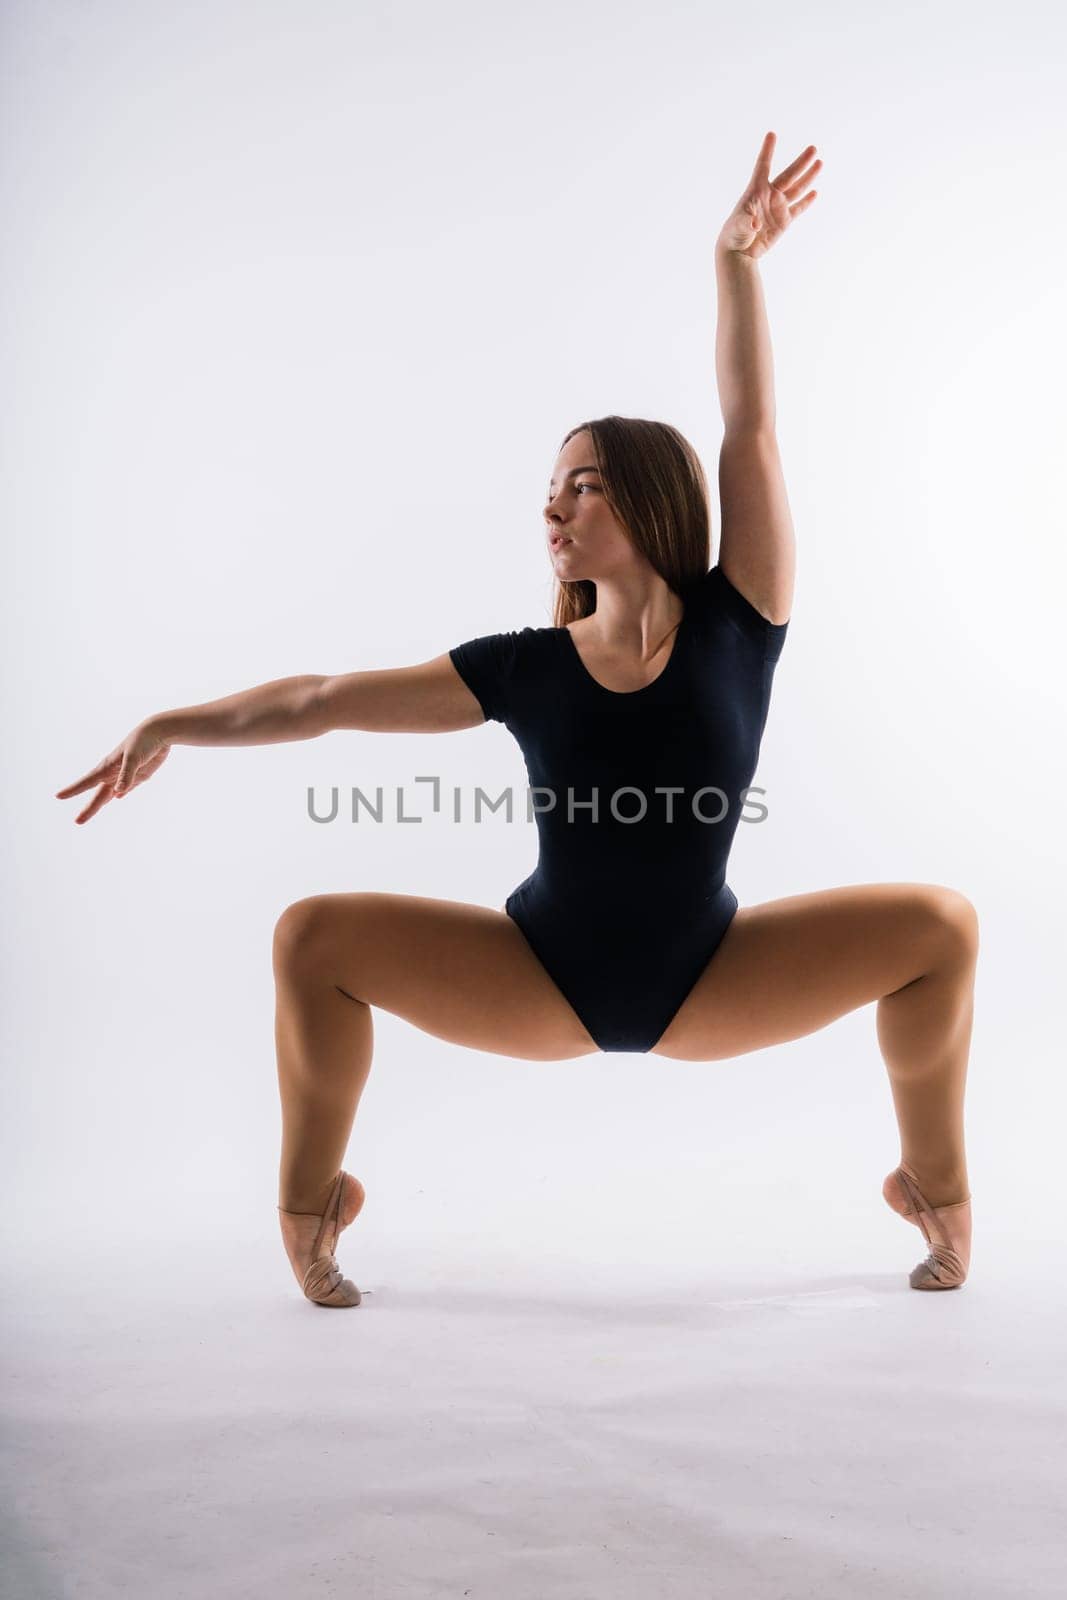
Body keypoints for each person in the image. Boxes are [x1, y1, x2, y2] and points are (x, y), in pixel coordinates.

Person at [55, 133, 976, 1308]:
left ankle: (935, 1194)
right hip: (539, 974)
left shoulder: (740, 615)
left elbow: (749, 430)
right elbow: (323, 702)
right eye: (549, 490)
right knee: (311, 936)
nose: (554, 504)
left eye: (581, 482)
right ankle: (311, 1207)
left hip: (713, 974)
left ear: (647, 493)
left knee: (938, 927)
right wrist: (174, 722)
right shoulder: (523, 667)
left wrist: (735, 261)